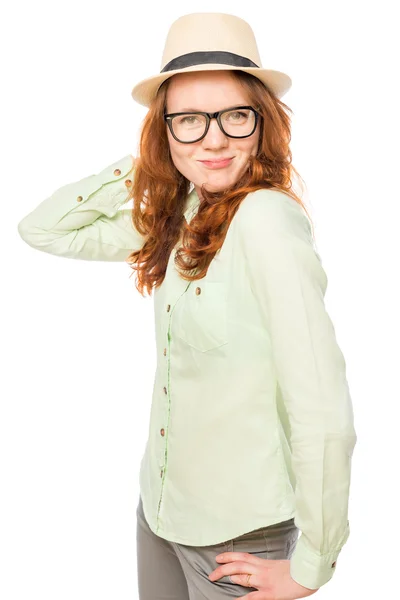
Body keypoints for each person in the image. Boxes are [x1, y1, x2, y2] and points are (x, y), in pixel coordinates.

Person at [17, 12, 357, 600]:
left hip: (238, 536)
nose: (215, 139)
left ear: (262, 124)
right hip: (162, 509)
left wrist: (314, 562)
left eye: (234, 116)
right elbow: (43, 230)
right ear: (164, 129)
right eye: (190, 121)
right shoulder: (183, 216)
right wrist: (147, 166)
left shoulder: (266, 221)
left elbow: (321, 399)